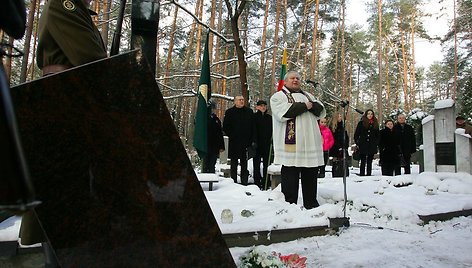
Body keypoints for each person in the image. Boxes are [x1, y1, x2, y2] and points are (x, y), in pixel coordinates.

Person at [20, 0, 108, 266]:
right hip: (64, 102)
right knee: (61, 197)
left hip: (71, 104)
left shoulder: (77, 9)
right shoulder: (63, 4)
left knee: (69, 196)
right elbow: (91, 57)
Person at [270, 71, 326, 209]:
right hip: (291, 145)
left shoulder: (308, 95)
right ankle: (290, 206)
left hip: (310, 144)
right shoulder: (278, 97)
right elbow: (285, 113)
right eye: (292, 78)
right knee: (290, 176)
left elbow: (320, 110)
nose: (295, 80)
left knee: (311, 175)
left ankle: (311, 204)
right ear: (285, 81)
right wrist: (305, 106)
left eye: (298, 78)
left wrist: (310, 105)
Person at [36, 0, 107, 76]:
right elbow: (91, 59)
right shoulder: (62, 4)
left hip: (72, 82)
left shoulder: (78, 11)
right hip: (66, 82)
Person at [223, 95, 254, 185]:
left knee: (244, 163)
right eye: (239, 100)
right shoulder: (229, 112)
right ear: (235, 101)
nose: (241, 101)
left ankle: (244, 182)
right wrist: (232, 135)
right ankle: (233, 181)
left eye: (243, 99)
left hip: (246, 142)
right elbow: (225, 126)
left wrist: (250, 139)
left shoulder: (249, 112)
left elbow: (252, 127)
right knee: (234, 163)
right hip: (234, 142)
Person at [252, 100, 272, 189]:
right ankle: (256, 181)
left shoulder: (269, 118)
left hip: (267, 144)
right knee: (256, 164)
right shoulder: (254, 117)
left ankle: (266, 181)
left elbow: (272, 130)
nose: (263, 107)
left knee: (266, 164)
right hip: (257, 144)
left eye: (264, 105)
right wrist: (254, 141)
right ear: (257, 107)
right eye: (261, 106)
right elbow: (252, 130)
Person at [354, 109, 379, 176]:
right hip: (363, 145)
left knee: (369, 161)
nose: (370, 115)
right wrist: (358, 142)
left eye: (371, 114)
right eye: (368, 114)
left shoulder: (375, 123)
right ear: (366, 115)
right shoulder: (361, 123)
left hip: (372, 145)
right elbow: (356, 134)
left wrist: (376, 143)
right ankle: (362, 174)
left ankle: (369, 174)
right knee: (363, 161)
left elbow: (377, 135)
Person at [203, 99, 225, 173]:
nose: (213, 110)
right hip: (205, 145)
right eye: (211, 108)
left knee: (212, 165)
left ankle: (211, 183)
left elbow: (220, 133)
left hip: (215, 147)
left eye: (214, 108)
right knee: (205, 165)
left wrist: (222, 146)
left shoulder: (217, 120)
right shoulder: (203, 118)